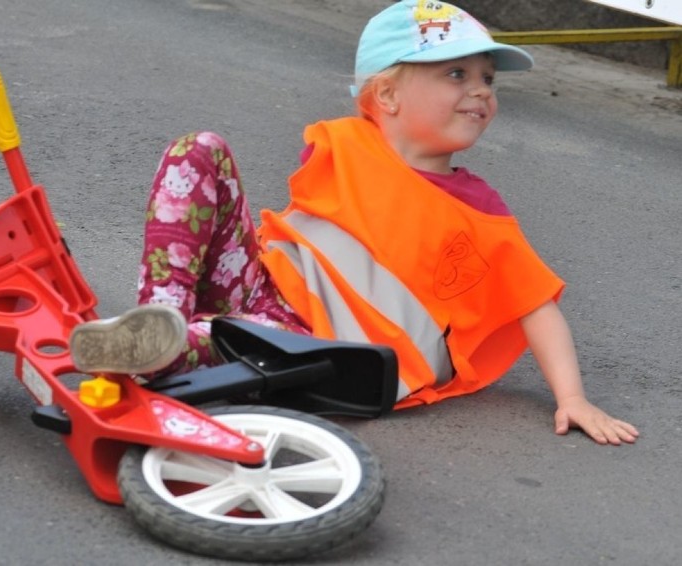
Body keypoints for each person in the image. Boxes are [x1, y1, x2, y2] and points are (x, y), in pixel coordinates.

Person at [69, 0, 639, 445]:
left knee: (215, 342)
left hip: (321, 345)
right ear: (387, 94)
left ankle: (166, 346)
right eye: (457, 74)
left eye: (488, 79)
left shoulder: (479, 210)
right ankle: (159, 319)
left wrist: (573, 398)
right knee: (200, 148)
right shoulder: (350, 144)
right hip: (264, 288)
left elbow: (535, 304)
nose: (481, 92)